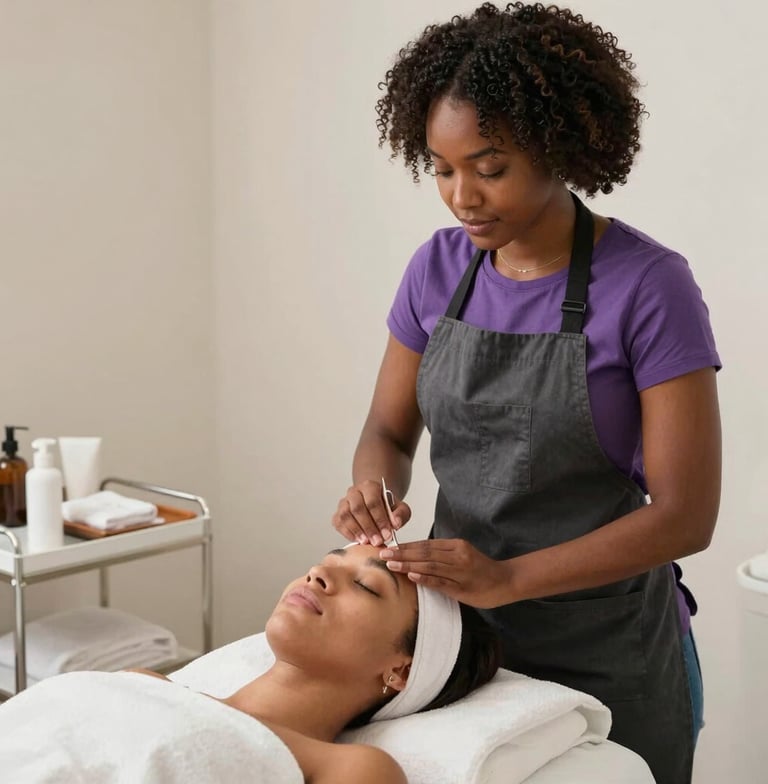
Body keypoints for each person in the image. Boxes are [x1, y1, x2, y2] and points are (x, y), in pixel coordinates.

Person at [332, 4, 721, 784]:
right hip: (462, 642)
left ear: (558, 147)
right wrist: (376, 491)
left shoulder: (650, 285)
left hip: (607, 646)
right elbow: (388, 430)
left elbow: (686, 516)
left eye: (490, 168)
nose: (462, 197)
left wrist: (508, 578)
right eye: (442, 169)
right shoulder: (437, 269)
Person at [0, 543, 501, 784]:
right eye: (330, 560)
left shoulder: (356, 768)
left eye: (365, 586)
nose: (318, 573)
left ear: (402, 670)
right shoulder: (143, 682)